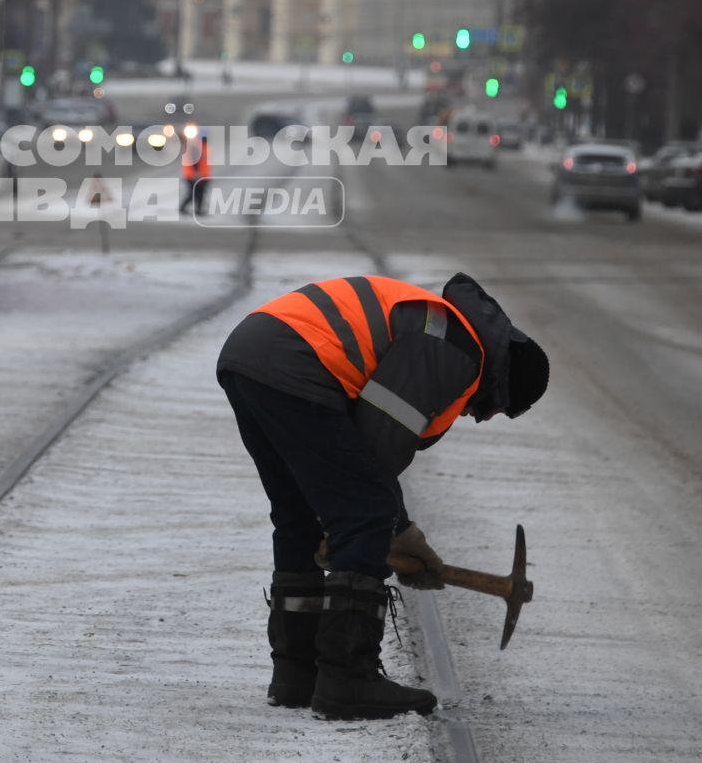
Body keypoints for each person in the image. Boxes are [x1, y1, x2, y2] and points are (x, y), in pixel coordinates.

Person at [215, 271, 549, 720]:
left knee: (299, 513)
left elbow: (360, 456)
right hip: (296, 361)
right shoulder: (451, 351)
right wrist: (396, 532)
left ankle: (298, 674)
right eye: (496, 409)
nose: (482, 417)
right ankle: (348, 679)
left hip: (252, 355)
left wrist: (397, 532)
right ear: (501, 382)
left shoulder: (443, 331)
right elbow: (374, 453)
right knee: (362, 513)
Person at [180, 128, 212, 212]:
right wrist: (197, 173)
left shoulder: (203, 146)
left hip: (200, 175)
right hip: (195, 176)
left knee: (198, 194)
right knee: (195, 194)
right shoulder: (198, 146)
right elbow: (195, 161)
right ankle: (184, 208)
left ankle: (197, 210)